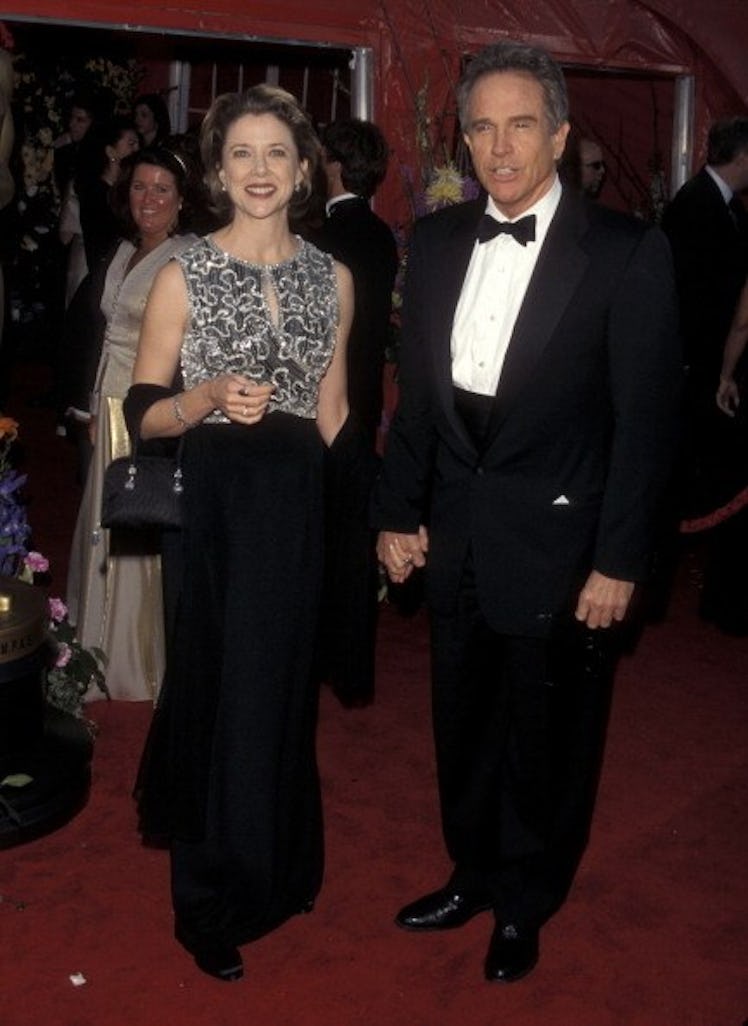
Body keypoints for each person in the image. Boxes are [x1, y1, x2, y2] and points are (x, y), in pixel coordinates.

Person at [373, 40, 681, 984]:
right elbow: (419, 402)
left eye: (519, 125)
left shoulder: (626, 253)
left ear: (557, 132)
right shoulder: (431, 242)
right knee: (460, 720)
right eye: (480, 127)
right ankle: (471, 870)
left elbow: (646, 427)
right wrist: (396, 513)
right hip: (459, 534)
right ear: (461, 141)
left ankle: (526, 898)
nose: (499, 147)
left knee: (549, 738)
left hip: (563, 544)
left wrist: (619, 560)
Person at [126, 84, 352, 982]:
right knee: (216, 692)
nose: (260, 171)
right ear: (219, 171)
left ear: (303, 171)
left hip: (296, 508)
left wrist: (375, 522)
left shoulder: (336, 277)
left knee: (284, 689)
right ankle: (206, 900)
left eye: (277, 154)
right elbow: (140, 412)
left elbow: (334, 415)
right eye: (242, 155)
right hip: (213, 507)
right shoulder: (183, 271)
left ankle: (278, 869)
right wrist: (209, 396)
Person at [65, 143, 203, 702]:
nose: (149, 199)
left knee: (136, 528)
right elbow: (97, 336)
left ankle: (135, 657)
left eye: (162, 190)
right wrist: (86, 405)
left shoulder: (189, 256)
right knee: (100, 527)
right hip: (105, 408)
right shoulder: (120, 251)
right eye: (140, 187)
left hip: (145, 412)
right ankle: (92, 642)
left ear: (182, 201)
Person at [312, 118, 398, 706]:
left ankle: (328, 662)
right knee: (353, 539)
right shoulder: (383, 234)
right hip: (363, 403)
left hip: (325, 409)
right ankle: (351, 671)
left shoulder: (323, 240)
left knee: (327, 542)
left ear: (335, 164)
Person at [662, 117, 748, 633]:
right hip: (698, 367)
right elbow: (691, 298)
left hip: (714, 367)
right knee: (691, 474)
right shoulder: (695, 206)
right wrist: (718, 367)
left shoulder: (723, 207)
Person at [76, 115, 140, 271]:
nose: (136, 150)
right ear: (111, 151)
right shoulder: (97, 194)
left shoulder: (125, 189)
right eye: (131, 144)